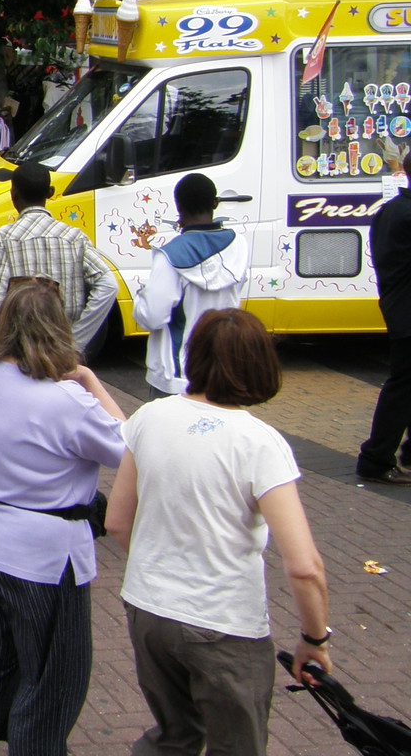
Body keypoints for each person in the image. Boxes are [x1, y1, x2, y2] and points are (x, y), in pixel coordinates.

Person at [107, 309, 333, 754]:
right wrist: (314, 638)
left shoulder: (151, 416)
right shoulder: (260, 443)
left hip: (149, 609)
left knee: (176, 735)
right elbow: (305, 567)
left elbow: (117, 520)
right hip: (223, 623)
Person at [0, 279, 127, 756]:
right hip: (42, 555)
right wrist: (89, 379)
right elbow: (127, 445)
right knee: (51, 674)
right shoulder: (64, 401)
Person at [0, 163, 117, 372]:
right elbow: (109, 286)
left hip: (18, 353)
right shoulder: (74, 237)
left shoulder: (6, 237)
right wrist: (76, 342)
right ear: (50, 193)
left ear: (13, 195)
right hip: (60, 354)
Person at [133, 172, 250, 398]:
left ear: (178, 206)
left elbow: (152, 317)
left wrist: (141, 298)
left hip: (177, 377)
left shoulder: (169, 256)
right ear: (215, 203)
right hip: (222, 367)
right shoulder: (238, 245)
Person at [358, 148, 411, 485]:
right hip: (407, 312)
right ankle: (376, 458)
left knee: (405, 385)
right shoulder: (405, 215)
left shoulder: (390, 211)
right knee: (401, 387)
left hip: (398, 308)